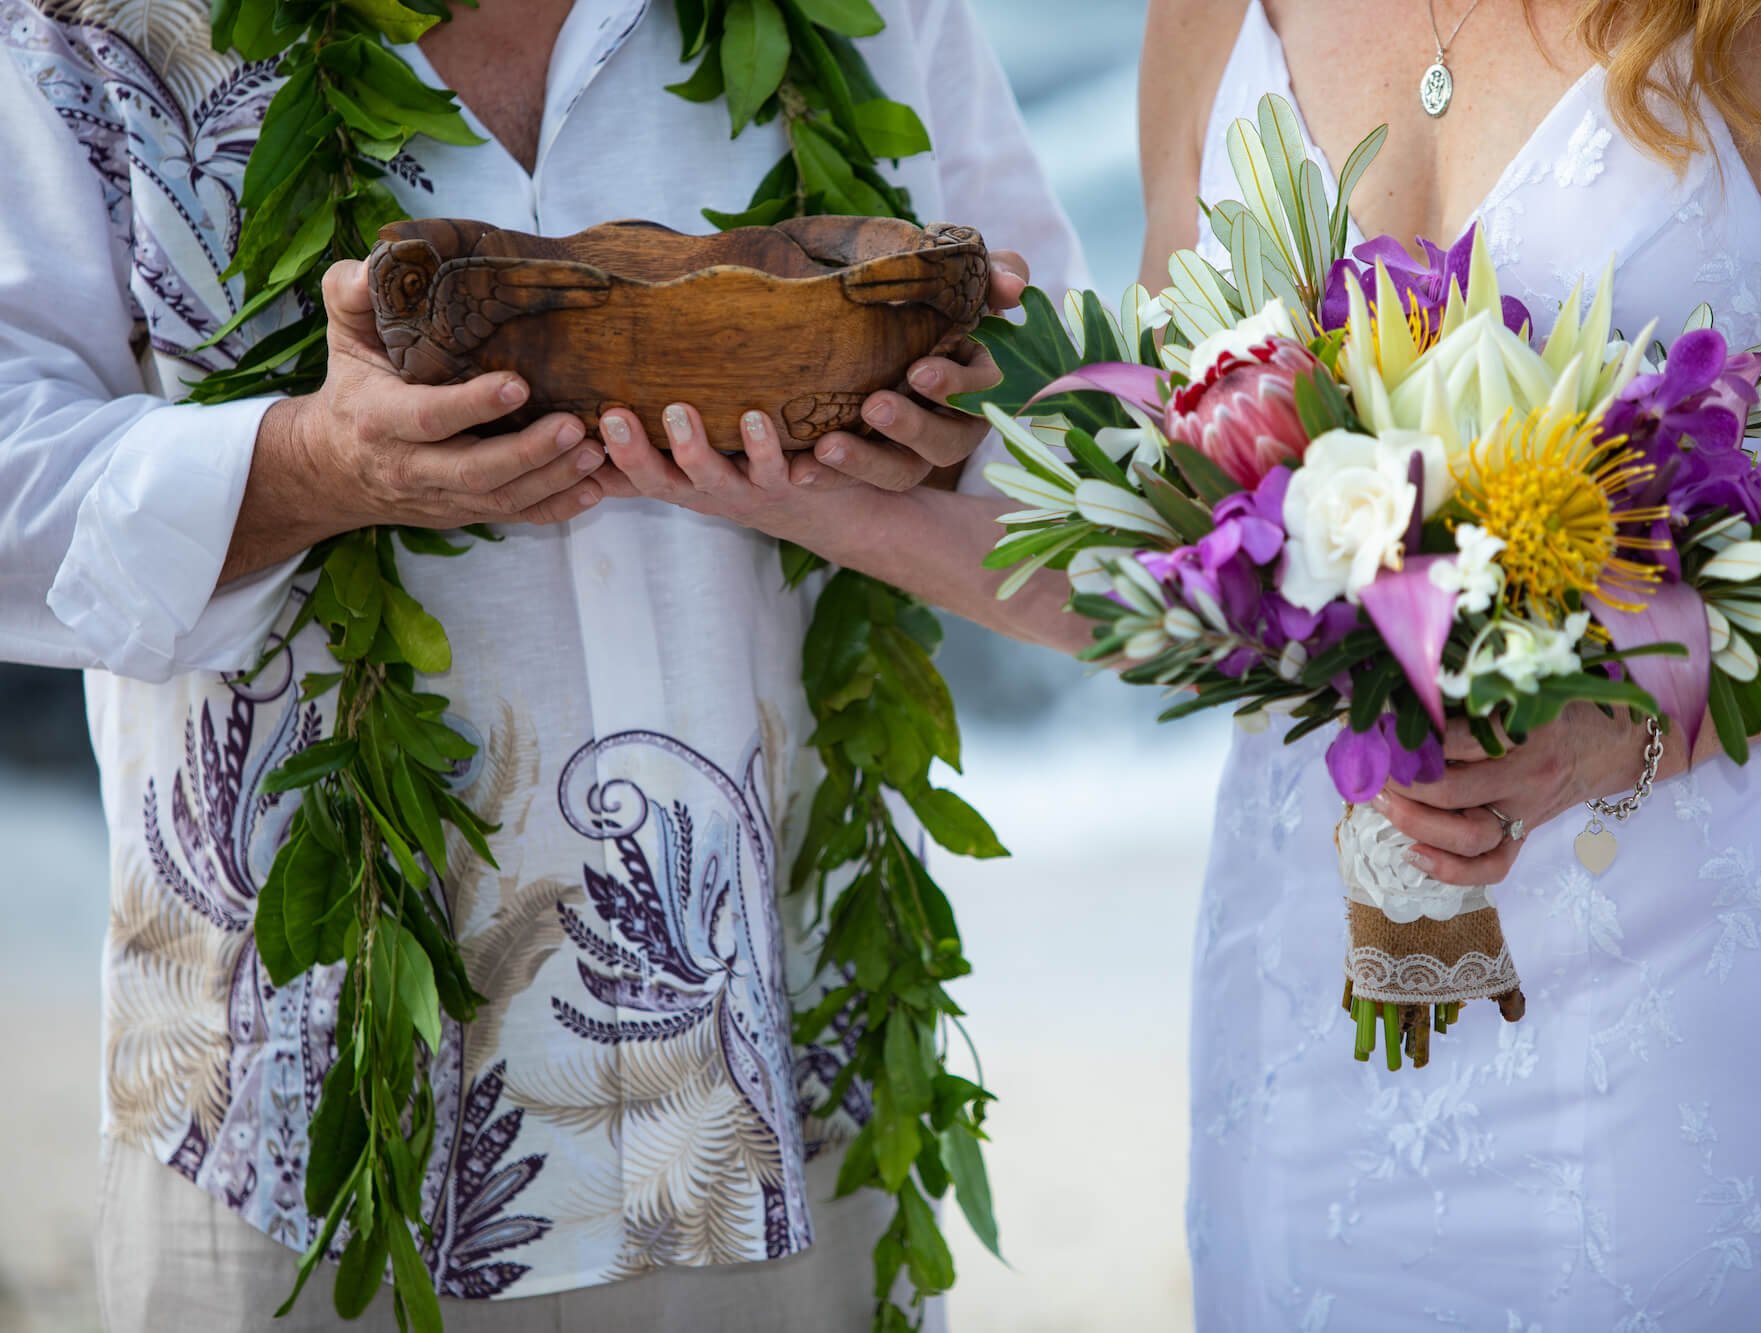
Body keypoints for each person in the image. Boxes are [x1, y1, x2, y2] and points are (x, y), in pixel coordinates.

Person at [593, 0, 1761, 1326]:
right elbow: (1183, 570)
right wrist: (810, 500)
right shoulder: (1215, 14)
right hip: (1315, 969)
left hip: (1692, 956)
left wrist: (1633, 721)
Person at [0, 0, 1084, 1328]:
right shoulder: (82, 27)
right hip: (303, 1138)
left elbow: (1070, 421)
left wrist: (947, 437)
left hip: (780, 1098)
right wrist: (308, 466)